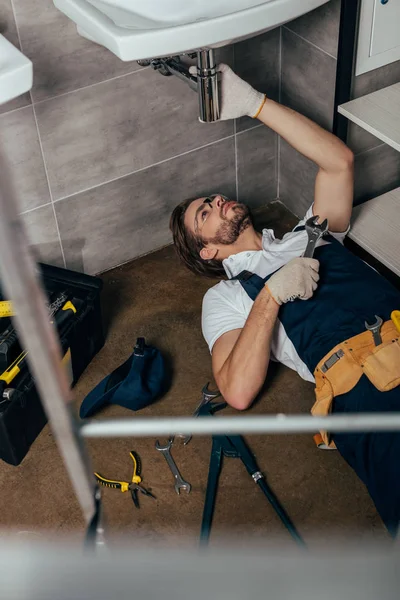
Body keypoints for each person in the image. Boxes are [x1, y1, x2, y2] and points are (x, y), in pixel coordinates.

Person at [169, 64, 400, 536]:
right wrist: (271, 295)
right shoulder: (227, 297)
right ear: (208, 251)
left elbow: (339, 162)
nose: (218, 202)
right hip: (365, 389)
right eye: (205, 215)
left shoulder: (309, 232)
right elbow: (235, 389)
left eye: (213, 199)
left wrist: (253, 102)